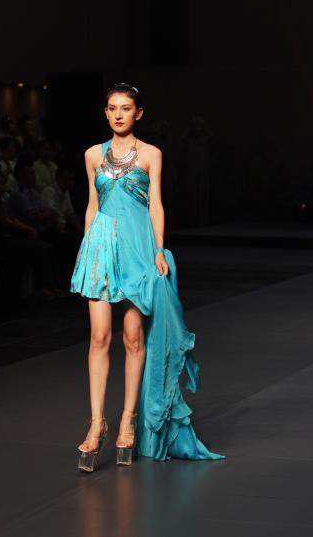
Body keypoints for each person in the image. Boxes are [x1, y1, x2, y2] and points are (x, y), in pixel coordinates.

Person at [70, 83, 223, 472]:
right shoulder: (92, 155)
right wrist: (87, 248)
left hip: (138, 250)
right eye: (112, 108)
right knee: (98, 337)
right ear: (105, 112)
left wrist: (159, 249)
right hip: (101, 249)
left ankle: (128, 419)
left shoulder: (152, 154)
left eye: (126, 108)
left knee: (133, 337)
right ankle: (96, 423)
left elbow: (156, 204)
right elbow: (92, 204)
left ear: (138, 113)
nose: (118, 114)